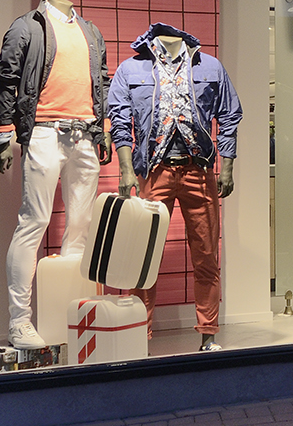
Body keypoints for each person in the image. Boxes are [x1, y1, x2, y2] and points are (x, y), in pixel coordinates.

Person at [109, 22, 240, 352]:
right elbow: (120, 121)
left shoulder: (210, 66)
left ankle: (208, 335)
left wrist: (227, 167)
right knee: (144, 257)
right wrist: (126, 170)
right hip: (155, 171)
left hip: (199, 170)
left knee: (206, 256)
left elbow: (229, 115)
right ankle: (139, 338)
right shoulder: (131, 68)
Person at [0, 0, 109, 349]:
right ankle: (19, 321)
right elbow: (5, 78)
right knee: (34, 222)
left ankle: (72, 316)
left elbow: (100, 81)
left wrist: (101, 129)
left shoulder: (90, 31)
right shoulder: (28, 26)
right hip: (43, 131)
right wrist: (2, 134)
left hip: (84, 133)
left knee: (81, 225)